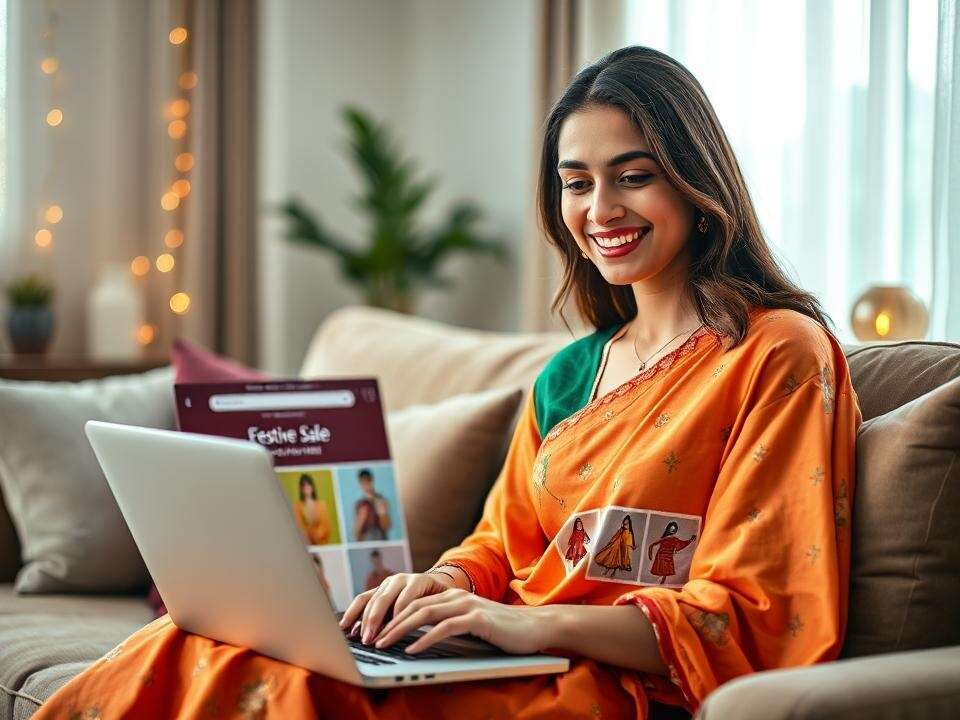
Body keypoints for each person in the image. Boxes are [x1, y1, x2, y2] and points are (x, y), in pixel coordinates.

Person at [31, 46, 862, 719]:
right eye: (577, 182)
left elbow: (753, 615)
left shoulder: (777, 355)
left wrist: (516, 624)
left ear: (696, 180)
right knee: (190, 641)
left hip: (607, 683)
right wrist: (447, 585)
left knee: (297, 687)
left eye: (633, 174)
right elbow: (501, 542)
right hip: (507, 644)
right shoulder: (573, 371)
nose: (600, 208)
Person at [293, 473, 332, 545]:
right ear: (301, 489)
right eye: (304, 485)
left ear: (312, 486)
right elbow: (299, 528)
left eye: (308, 484)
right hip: (305, 545)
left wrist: (315, 533)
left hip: (321, 545)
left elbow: (327, 528)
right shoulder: (297, 507)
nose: (306, 487)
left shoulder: (322, 505)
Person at [352, 469, 391, 541]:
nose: (365, 485)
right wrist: (361, 520)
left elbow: (386, 527)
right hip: (365, 541)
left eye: (367, 481)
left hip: (381, 539)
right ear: (359, 483)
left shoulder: (381, 500)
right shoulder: (359, 504)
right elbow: (356, 534)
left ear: (372, 481)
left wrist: (382, 513)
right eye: (362, 482)